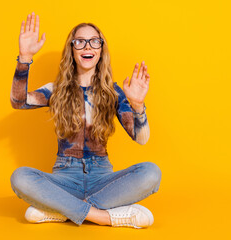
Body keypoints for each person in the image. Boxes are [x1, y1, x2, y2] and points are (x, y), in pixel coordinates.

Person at [10, 12, 161, 229]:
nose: (87, 47)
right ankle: (105, 217)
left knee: (151, 172)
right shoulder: (56, 90)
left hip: (103, 179)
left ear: (101, 50)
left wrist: (137, 105)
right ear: (72, 49)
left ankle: (61, 210)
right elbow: (18, 101)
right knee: (20, 177)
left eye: (94, 42)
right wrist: (24, 58)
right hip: (64, 178)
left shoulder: (113, 93)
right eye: (80, 42)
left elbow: (142, 139)